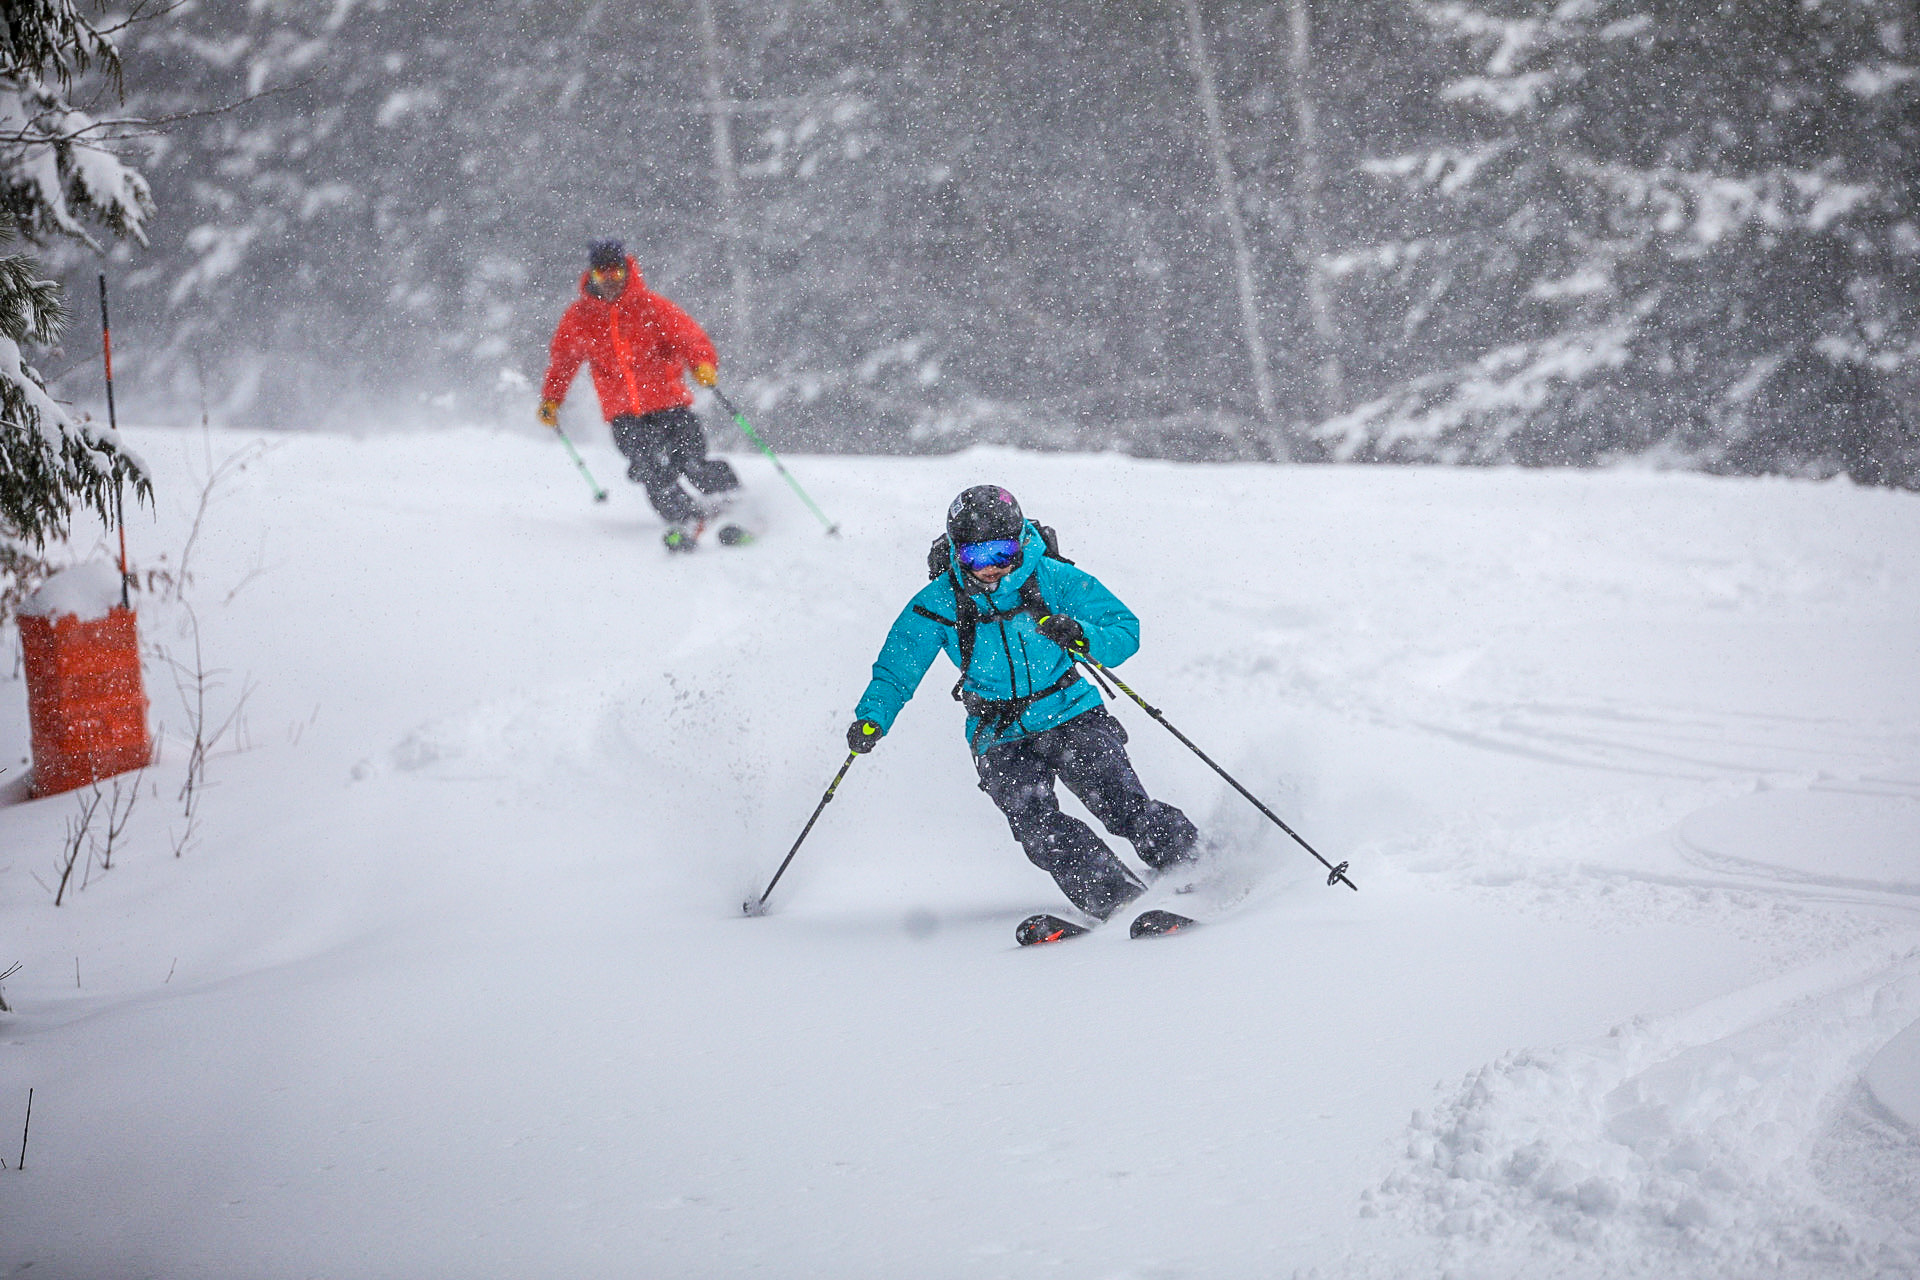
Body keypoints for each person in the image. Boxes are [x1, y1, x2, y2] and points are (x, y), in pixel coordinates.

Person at [845, 485, 1199, 921]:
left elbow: (1125, 630)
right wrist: (872, 718)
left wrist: (1082, 633)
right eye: (977, 557)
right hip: (999, 734)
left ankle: (1195, 862)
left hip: (1071, 712)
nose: (991, 568)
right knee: (1038, 829)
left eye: (1002, 552)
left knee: (1120, 802)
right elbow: (897, 668)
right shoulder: (937, 603)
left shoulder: (1053, 578)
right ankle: (1116, 900)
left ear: (1021, 540)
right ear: (957, 553)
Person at [538, 239, 742, 552]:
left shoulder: (651, 306)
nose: (610, 282)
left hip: (670, 405)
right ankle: (684, 517)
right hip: (623, 415)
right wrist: (552, 399)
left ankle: (733, 503)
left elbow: (690, 338)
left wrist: (702, 364)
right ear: (592, 276)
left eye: (616, 273)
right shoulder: (580, 317)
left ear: (626, 270)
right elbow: (564, 361)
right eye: (603, 275)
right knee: (650, 469)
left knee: (691, 462)